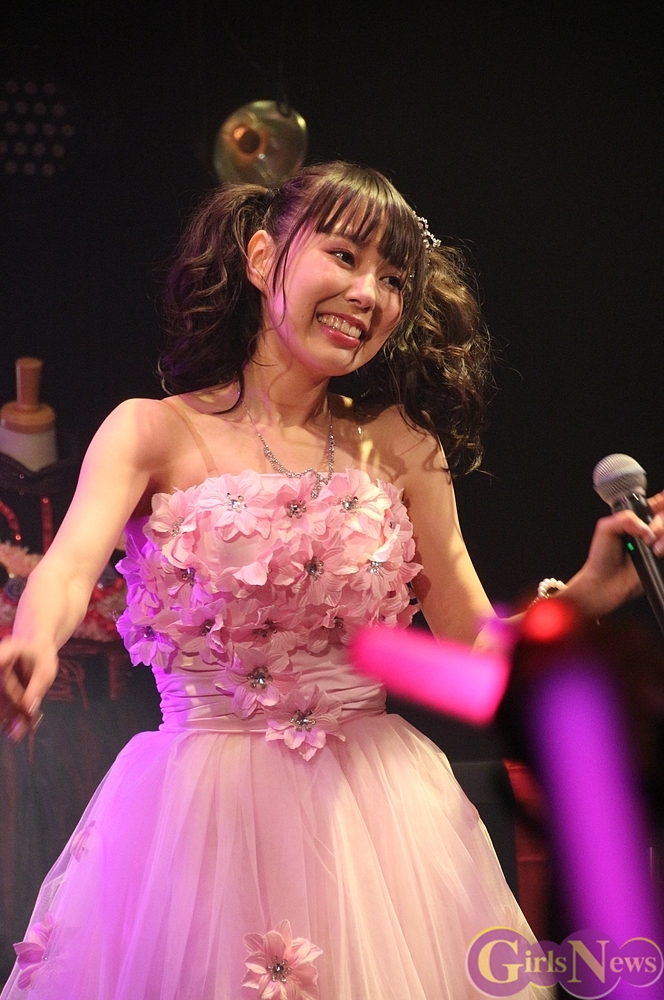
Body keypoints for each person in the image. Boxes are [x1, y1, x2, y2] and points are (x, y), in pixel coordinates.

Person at [0, 161, 662, 999]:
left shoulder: (404, 446)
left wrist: (590, 594)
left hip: (377, 826)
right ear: (261, 257)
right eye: (345, 257)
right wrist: (32, 642)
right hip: (197, 819)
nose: (368, 293)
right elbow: (67, 569)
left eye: (393, 279)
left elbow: (475, 642)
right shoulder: (151, 431)